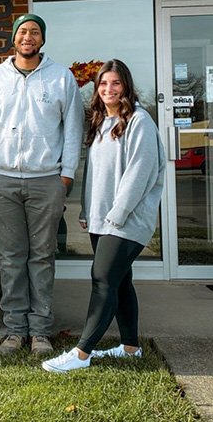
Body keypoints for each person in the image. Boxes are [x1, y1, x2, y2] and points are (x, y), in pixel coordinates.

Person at [42, 59, 165, 373]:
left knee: (102, 280)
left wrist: (118, 214)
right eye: (103, 84)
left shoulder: (139, 121)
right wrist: (87, 210)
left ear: (126, 86)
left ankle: (82, 354)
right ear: (96, 89)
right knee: (121, 282)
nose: (109, 89)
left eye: (115, 83)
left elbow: (139, 174)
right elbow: (94, 174)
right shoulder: (100, 123)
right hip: (103, 219)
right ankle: (130, 348)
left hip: (125, 221)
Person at [0, 13, 84, 355]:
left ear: (42, 39)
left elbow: (73, 129)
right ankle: (14, 329)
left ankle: (39, 331)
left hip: (46, 180)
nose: (28, 37)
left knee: (42, 256)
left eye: (35, 32)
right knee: (10, 257)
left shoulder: (61, 77)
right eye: (23, 32)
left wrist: (66, 174)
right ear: (14, 38)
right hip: (3, 179)